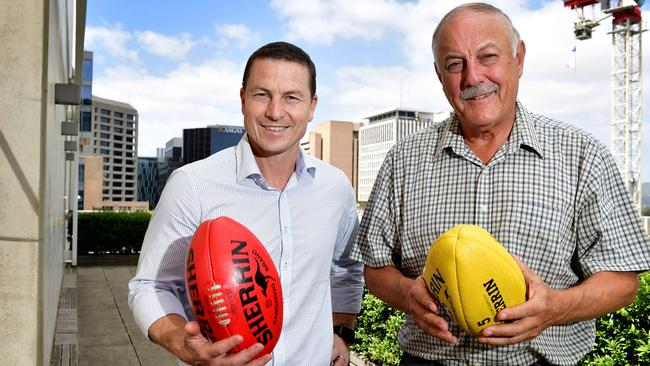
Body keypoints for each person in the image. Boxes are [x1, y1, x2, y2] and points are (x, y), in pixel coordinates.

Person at [352, 3, 650, 365]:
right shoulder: (402, 160)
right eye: (454, 64)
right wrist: (406, 293)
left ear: (519, 58)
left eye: (488, 56)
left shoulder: (584, 155)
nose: (473, 76)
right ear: (439, 74)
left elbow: (622, 279)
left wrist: (555, 308)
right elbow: (375, 267)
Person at [129, 41, 363, 366]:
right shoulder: (192, 184)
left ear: (312, 106)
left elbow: (345, 269)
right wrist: (181, 342)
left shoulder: (335, 187)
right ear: (243, 100)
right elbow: (150, 285)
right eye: (262, 94)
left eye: (291, 97)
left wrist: (341, 330)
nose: (275, 112)